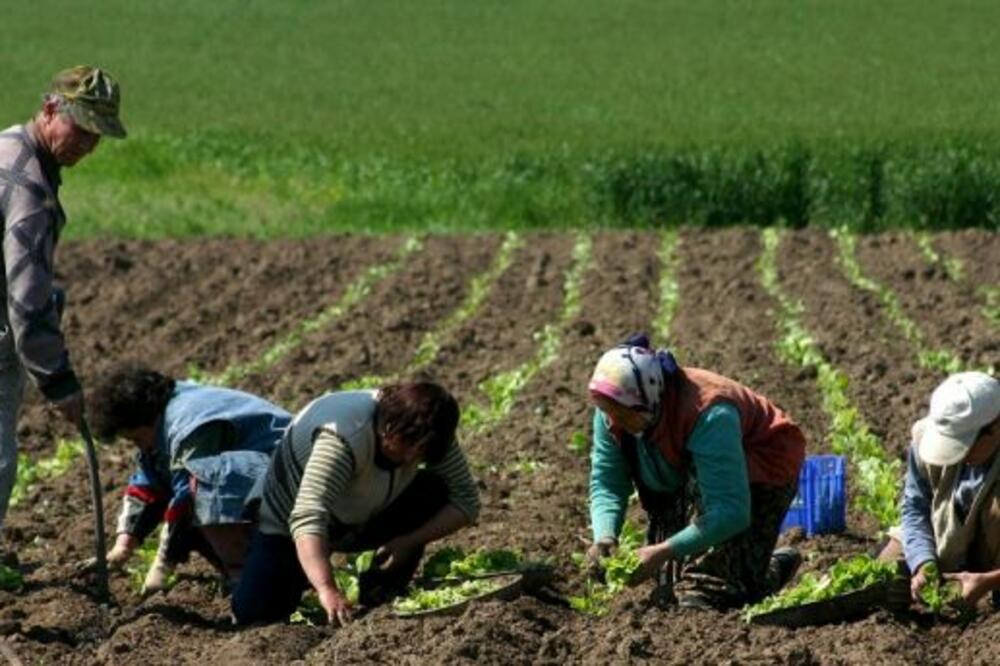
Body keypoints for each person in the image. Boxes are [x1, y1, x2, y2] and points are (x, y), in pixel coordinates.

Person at [584, 334, 806, 610]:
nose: (615, 422)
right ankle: (754, 567)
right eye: (610, 413)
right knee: (670, 583)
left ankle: (759, 573)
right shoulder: (614, 409)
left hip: (761, 465)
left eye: (624, 415)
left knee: (702, 592)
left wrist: (663, 550)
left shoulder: (709, 413)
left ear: (650, 399)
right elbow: (607, 482)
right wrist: (605, 536)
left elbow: (730, 510)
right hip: (690, 470)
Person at [231, 382, 480, 626]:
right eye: (406, 450)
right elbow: (307, 516)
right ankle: (296, 568)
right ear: (389, 429)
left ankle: (381, 591)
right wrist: (326, 588)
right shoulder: (344, 436)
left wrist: (409, 540)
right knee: (256, 613)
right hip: (289, 523)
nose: (411, 459)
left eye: (420, 455)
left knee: (435, 489)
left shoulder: (429, 433)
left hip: (360, 512)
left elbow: (466, 499)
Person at [0, 66, 126, 543]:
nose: (88, 144)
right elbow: (27, 301)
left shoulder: (6, 143)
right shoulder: (29, 190)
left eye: (98, 135)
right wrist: (58, 382)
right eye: (82, 128)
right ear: (51, 109)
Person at [89, 365, 291, 592]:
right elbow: (148, 481)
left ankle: (260, 579)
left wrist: (163, 564)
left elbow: (187, 495)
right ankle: (249, 575)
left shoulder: (189, 427)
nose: (139, 447)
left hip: (288, 478)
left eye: (136, 439)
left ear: (147, 421)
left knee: (201, 501)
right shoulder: (162, 417)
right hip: (262, 476)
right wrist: (122, 548)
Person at [880, 372, 1000, 610]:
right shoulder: (925, 438)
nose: (960, 456)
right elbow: (915, 507)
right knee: (886, 581)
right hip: (947, 538)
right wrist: (923, 563)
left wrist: (989, 581)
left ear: (996, 427)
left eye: (967, 445)